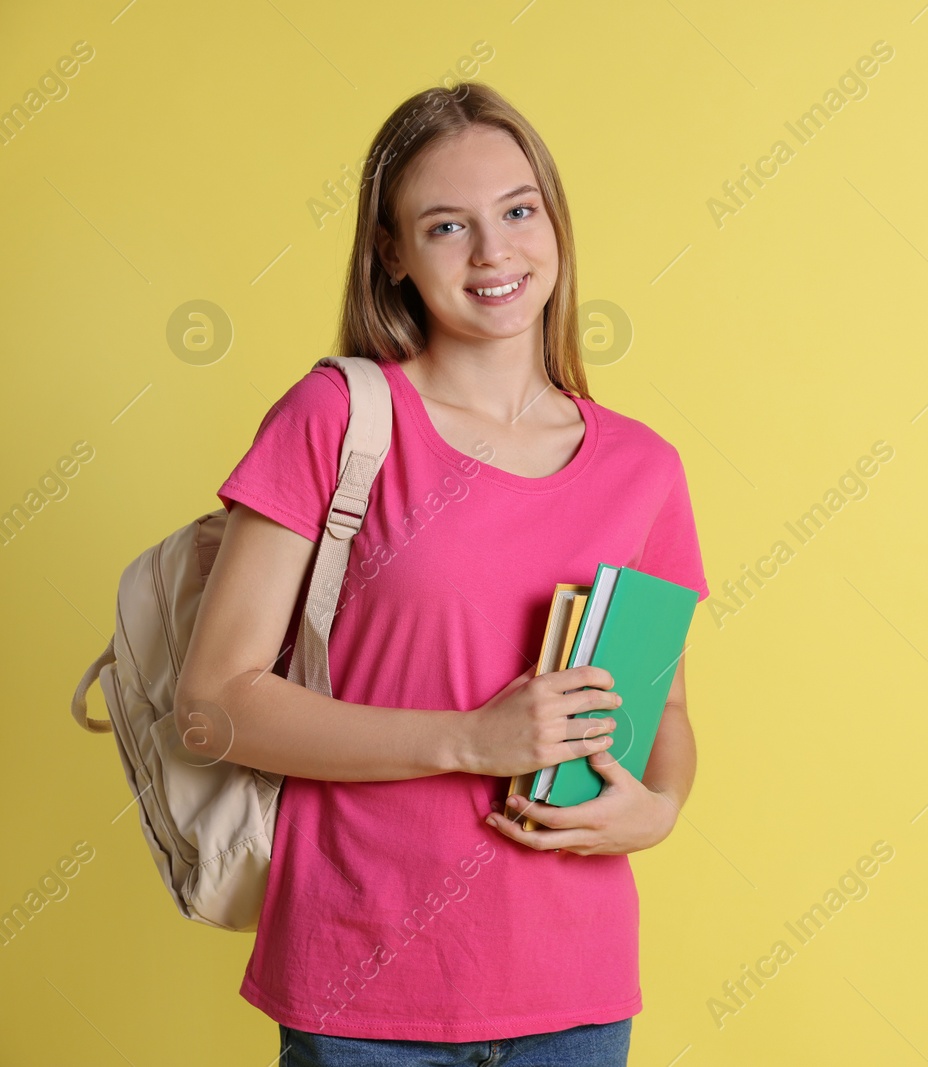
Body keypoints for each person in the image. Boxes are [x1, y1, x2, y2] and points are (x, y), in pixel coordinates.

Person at [174, 81, 709, 1066]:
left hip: (576, 995)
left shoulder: (645, 468)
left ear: (554, 220)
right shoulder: (339, 419)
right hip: (364, 990)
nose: (494, 252)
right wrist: (468, 738)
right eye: (447, 224)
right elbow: (212, 703)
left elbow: (663, 714)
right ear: (392, 253)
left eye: (517, 211)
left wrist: (657, 807)